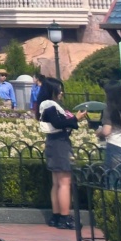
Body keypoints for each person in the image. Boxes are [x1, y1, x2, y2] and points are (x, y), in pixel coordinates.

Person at [35, 76, 79, 229]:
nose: (61, 93)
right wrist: (75, 119)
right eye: (59, 90)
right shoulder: (49, 105)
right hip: (59, 142)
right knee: (65, 183)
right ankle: (64, 217)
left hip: (53, 141)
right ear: (52, 90)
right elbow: (58, 123)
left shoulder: (46, 105)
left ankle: (56, 215)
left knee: (57, 183)